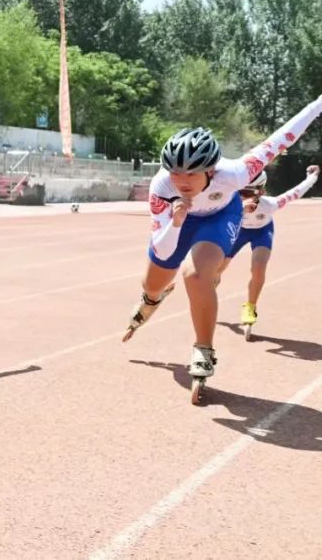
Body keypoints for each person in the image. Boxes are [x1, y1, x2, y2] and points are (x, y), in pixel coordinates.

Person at [123, 94, 322, 399]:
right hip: (178, 220)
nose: (182, 180)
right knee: (152, 283)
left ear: (212, 171)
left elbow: (283, 136)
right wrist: (176, 222)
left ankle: (203, 349)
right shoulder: (162, 189)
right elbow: (163, 250)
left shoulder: (236, 172)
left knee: (196, 274)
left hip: (220, 216)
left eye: (191, 173)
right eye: (176, 172)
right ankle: (153, 299)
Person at [219, 165, 319, 338]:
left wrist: (313, 176)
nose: (243, 196)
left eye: (249, 193)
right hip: (239, 232)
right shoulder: (229, 202)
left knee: (259, 267)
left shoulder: (271, 204)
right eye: (240, 191)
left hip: (262, 232)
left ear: (261, 192)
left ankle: (250, 307)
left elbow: (297, 191)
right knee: (217, 270)